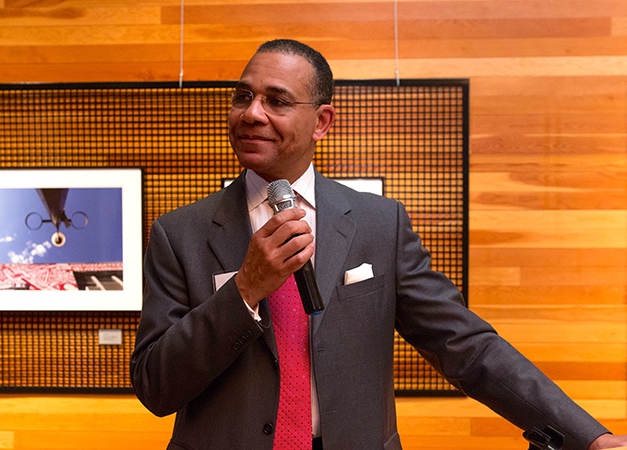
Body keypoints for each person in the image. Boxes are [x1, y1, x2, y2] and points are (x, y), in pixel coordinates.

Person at [130, 38, 627, 450]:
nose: (252, 113)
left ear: (323, 122)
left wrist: (589, 437)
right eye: (243, 97)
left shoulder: (377, 223)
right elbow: (155, 386)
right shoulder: (179, 234)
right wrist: (244, 291)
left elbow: (466, 347)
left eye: (276, 101)